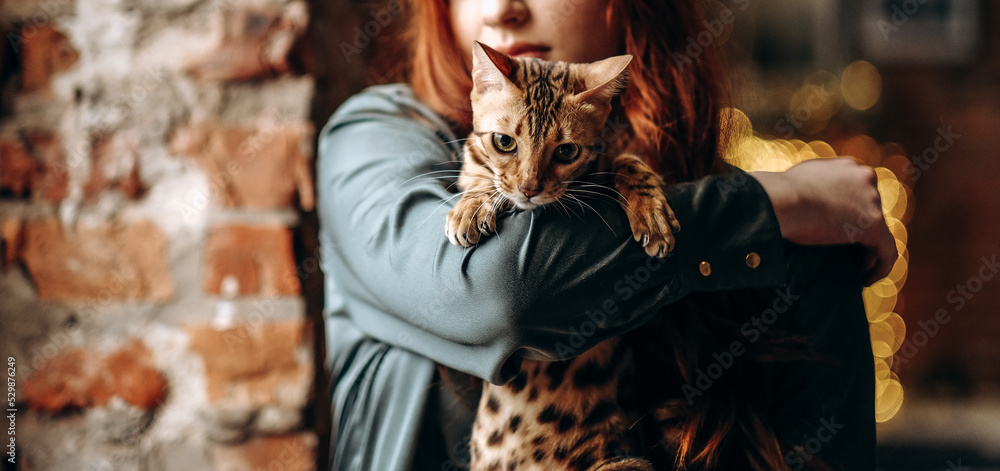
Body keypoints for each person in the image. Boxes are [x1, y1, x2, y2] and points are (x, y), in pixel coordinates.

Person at [318, 0, 897, 470]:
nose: (502, 10)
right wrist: (772, 206)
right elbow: (498, 293)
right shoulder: (374, 141)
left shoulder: (797, 233)